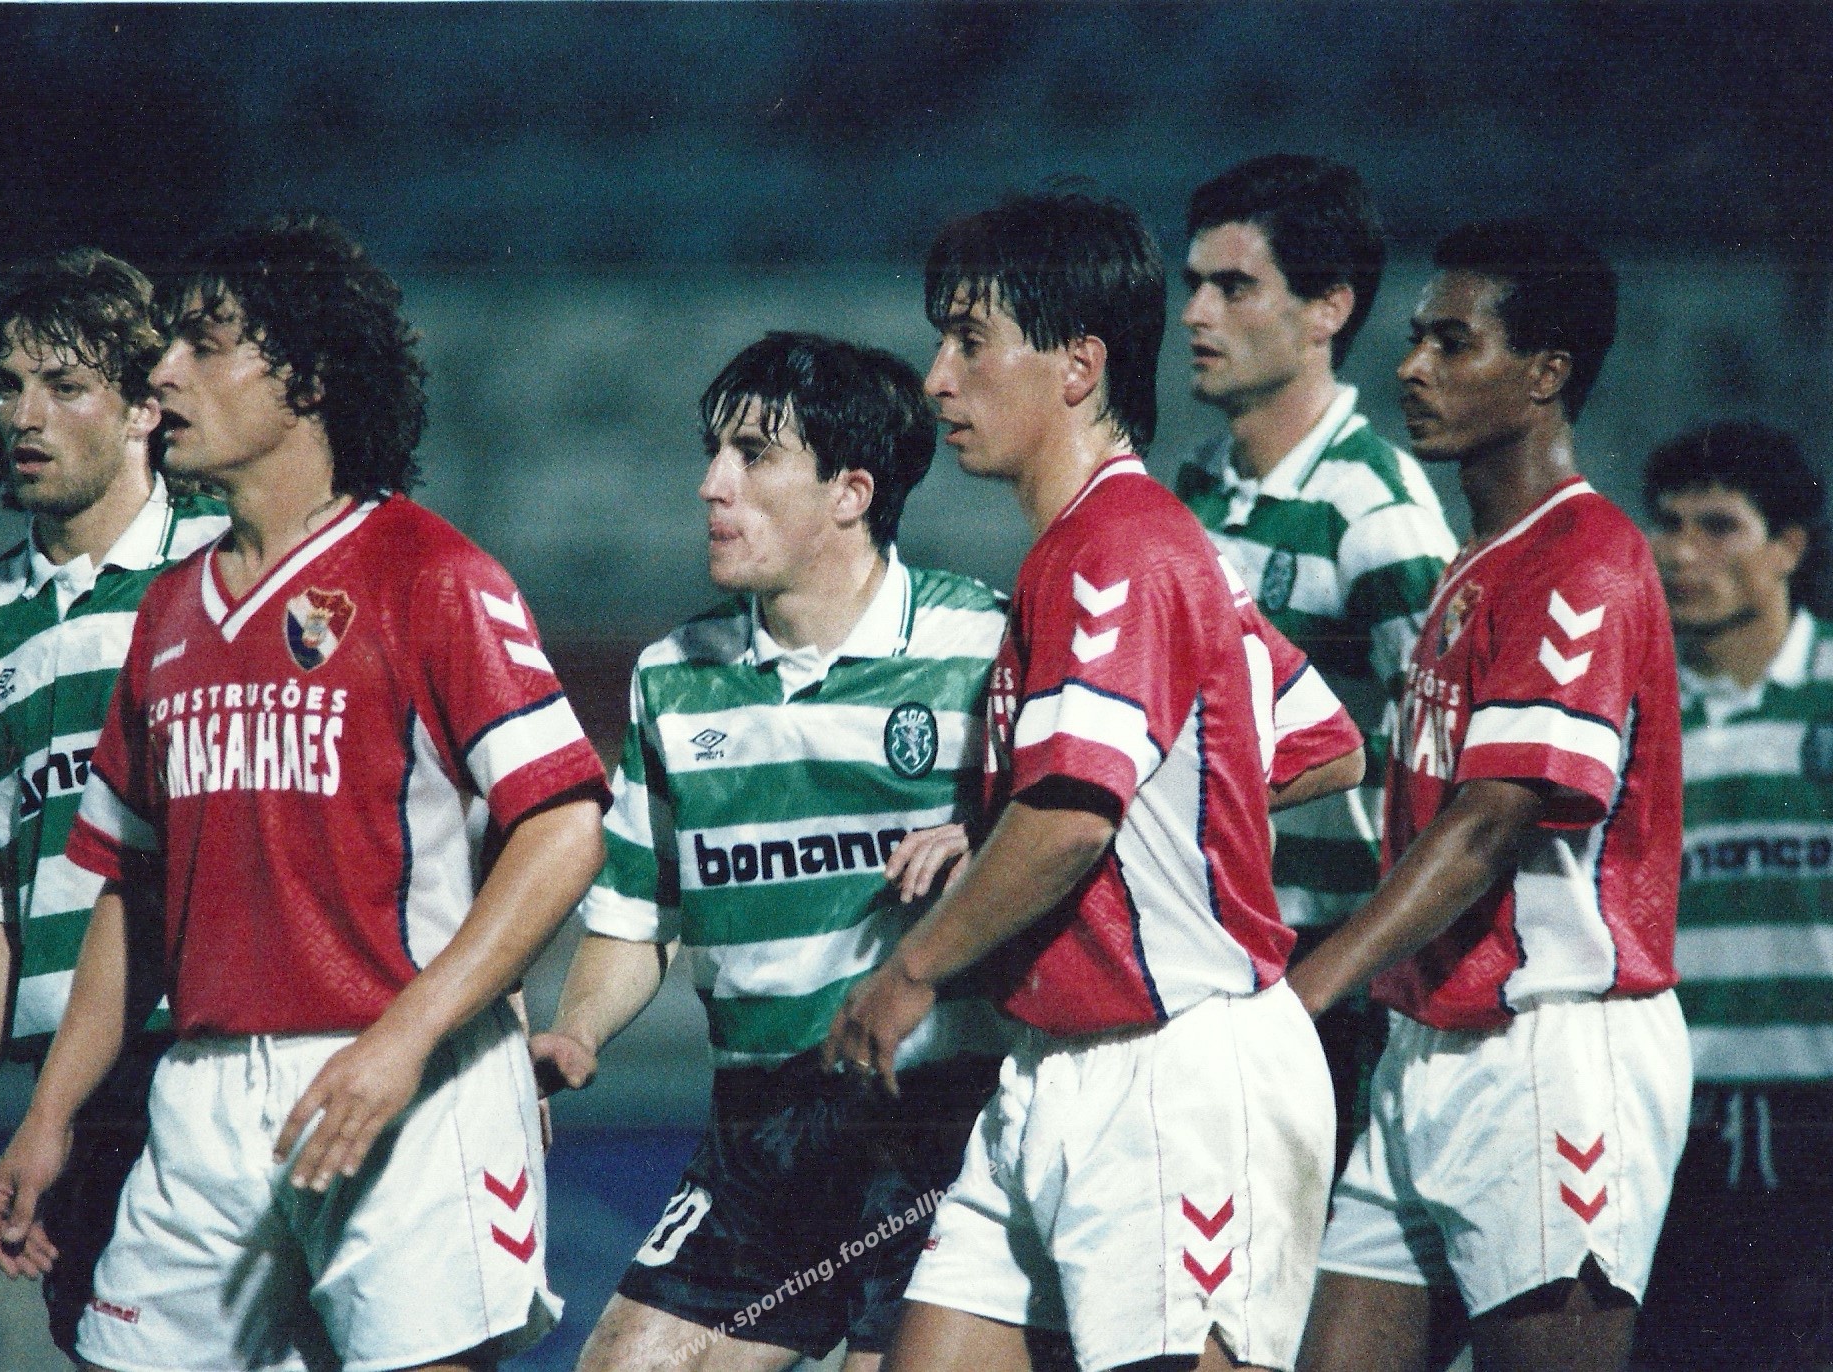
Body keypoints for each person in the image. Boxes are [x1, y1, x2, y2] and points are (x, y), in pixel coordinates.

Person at [0, 214, 609, 1372]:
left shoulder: (431, 571)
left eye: (203, 345)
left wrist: (405, 1039)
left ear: (309, 378)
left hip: (408, 1084)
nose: (161, 374)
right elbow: (130, 889)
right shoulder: (167, 611)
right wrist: (50, 1114)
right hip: (204, 1095)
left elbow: (564, 827)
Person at [825, 190, 1367, 1372]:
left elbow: (1072, 815)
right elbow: (1317, 739)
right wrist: (1056, 818)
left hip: (1177, 1076)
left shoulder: (1116, 548)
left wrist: (912, 969)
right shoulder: (1139, 541)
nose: (936, 379)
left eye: (969, 341)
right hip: (1051, 1075)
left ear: (1077, 367)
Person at [528, 331, 1012, 1372]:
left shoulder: (983, 644)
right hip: (762, 1138)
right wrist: (577, 1031)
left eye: (752, 456)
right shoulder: (675, 675)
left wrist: (986, 831)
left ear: (850, 492)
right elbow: (636, 915)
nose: (712, 485)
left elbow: (1077, 823)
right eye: (714, 453)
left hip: (942, 1124)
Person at [1291, 220, 1690, 1372]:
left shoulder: (1584, 556)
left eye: (1451, 343)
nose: (1409, 366)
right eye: (1413, 338)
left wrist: (1308, 985)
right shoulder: (1480, 558)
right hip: (1425, 1042)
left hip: (1548, 1048)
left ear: (1544, 373)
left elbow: (1492, 819)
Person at [0, 247, 228, 1356]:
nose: (24, 415)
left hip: (218, 1054)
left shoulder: (228, 564)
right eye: (9, 386)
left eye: (65, 384)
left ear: (145, 406)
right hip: (71, 1100)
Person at [1174, 155, 1456, 1172]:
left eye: (1233, 287)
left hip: (1316, 981)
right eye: (1193, 284)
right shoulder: (1196, 488)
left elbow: (1455, 774)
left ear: (1327, 308)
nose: (1195, 313)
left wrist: (1347, 974)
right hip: (1210, 966)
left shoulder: (1374, 509)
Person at [1632, 422, 1833, 1371]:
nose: (1681, 554)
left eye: (1718, 526)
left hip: (1827, 1115)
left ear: (1789, 546)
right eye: (1669, 525)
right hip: (1682, 1122)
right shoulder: (1633, 712)